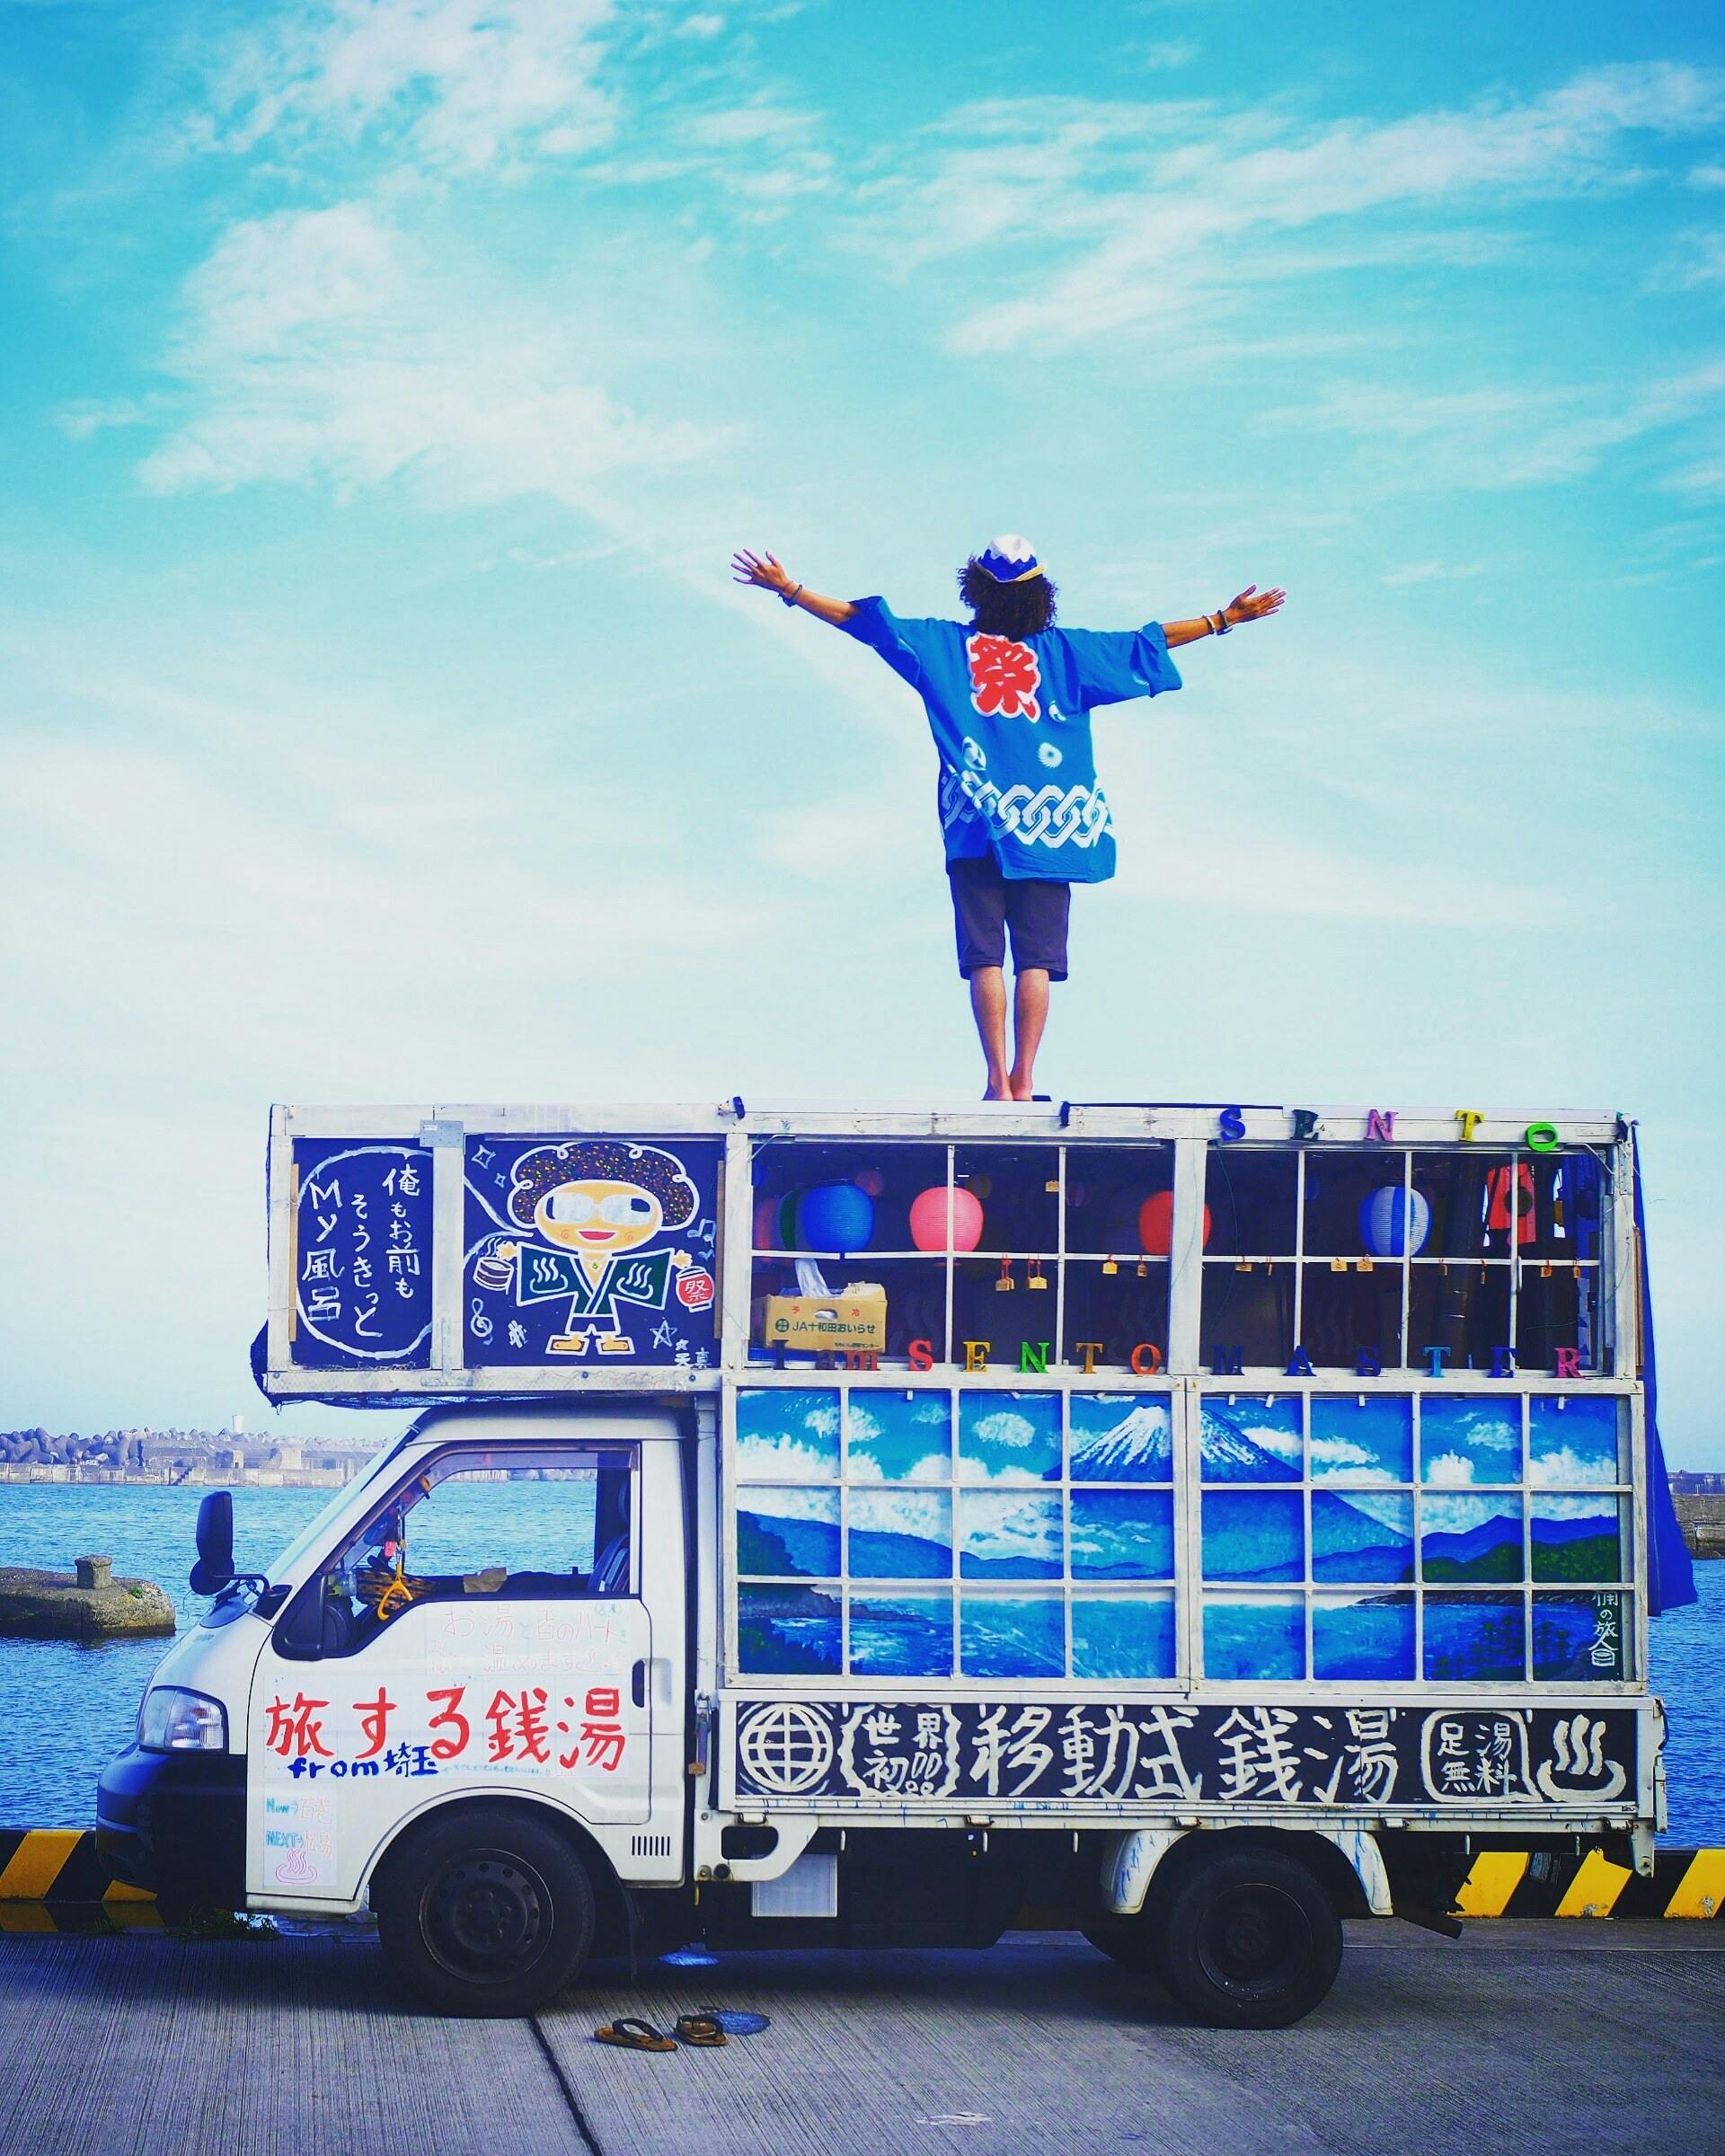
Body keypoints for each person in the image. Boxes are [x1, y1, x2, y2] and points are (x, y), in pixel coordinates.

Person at [731, 535, 1285, 1100]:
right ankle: (1025, 1076)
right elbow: (1146, 643)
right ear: (1042, 594)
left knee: (985, 959)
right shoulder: (1066, 653)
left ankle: (996, 1080)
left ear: (975, 591)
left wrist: (791, 589)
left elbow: (864, 621)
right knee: (1036, 962)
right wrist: (1223, 619)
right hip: (1050, 826)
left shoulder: (944, 646)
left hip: (974, 826)